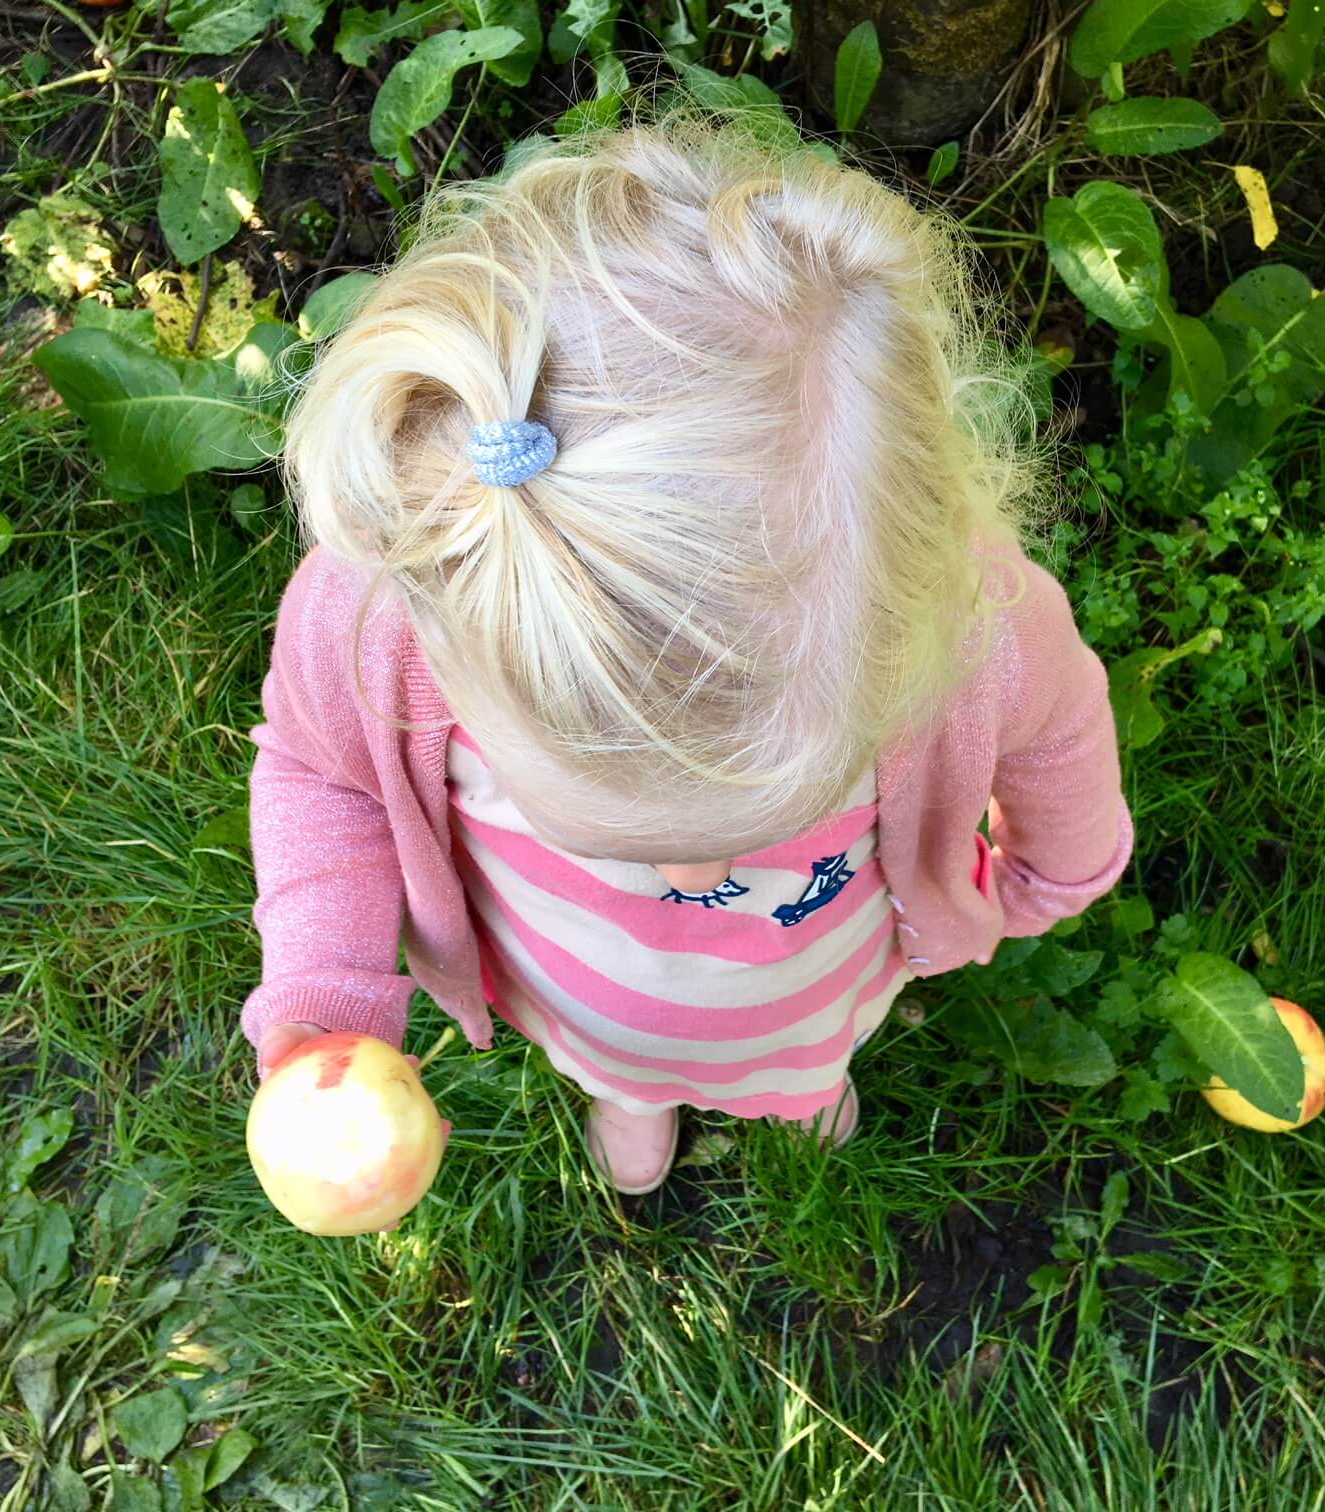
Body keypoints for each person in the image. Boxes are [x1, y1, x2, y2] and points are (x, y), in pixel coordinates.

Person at [241, 108, 1133, 1196]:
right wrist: (324, 986)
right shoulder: (395, 611)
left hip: (805, 984)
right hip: (571, 980)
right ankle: (632, 1093)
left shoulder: (962, 629)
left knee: (808, 1051)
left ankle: (799, 1086)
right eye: (622, 835)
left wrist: (1049, 879)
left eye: (757, 827)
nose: (698, 880)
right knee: (617, 1055)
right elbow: (320, 775)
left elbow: (1059, 740)